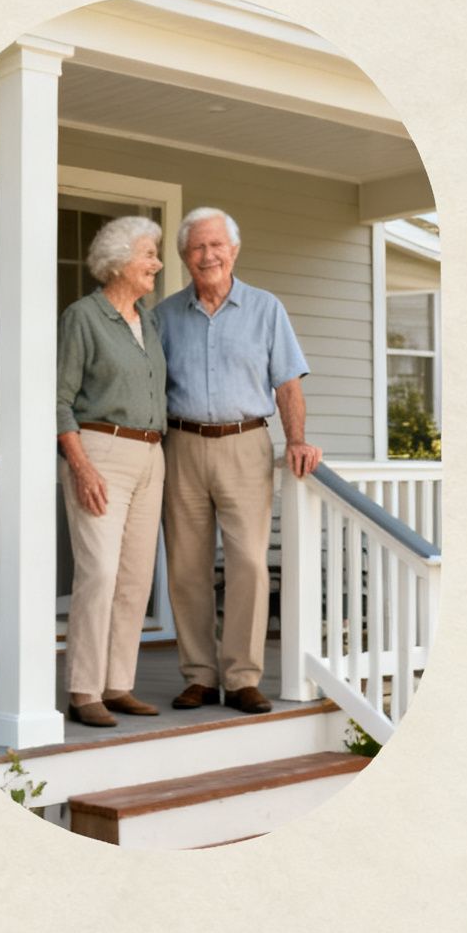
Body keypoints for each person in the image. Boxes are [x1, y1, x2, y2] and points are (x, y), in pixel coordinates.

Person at [153, 207, 318, 714]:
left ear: (234, 250)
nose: (208, 255)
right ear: (184, 257)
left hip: (246, 443)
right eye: (197, 248)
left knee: (247, 561)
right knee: (186, 566)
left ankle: (243, 676)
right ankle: (199, 675)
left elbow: (287, 382)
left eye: (216, 245)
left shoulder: (267, 309)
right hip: (180, 444)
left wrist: (296, 439)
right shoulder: (163, 316)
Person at [56, 216, 168, 729]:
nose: (158, 264)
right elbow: (58, 399)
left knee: (134, 577)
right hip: (101, 450)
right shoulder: (84, 317)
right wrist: (79, 464)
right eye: (149, 254)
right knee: (99, 572)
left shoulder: (150, 322)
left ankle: (117, 684)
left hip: (151, 456)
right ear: (120, 261)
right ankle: (84, 689)